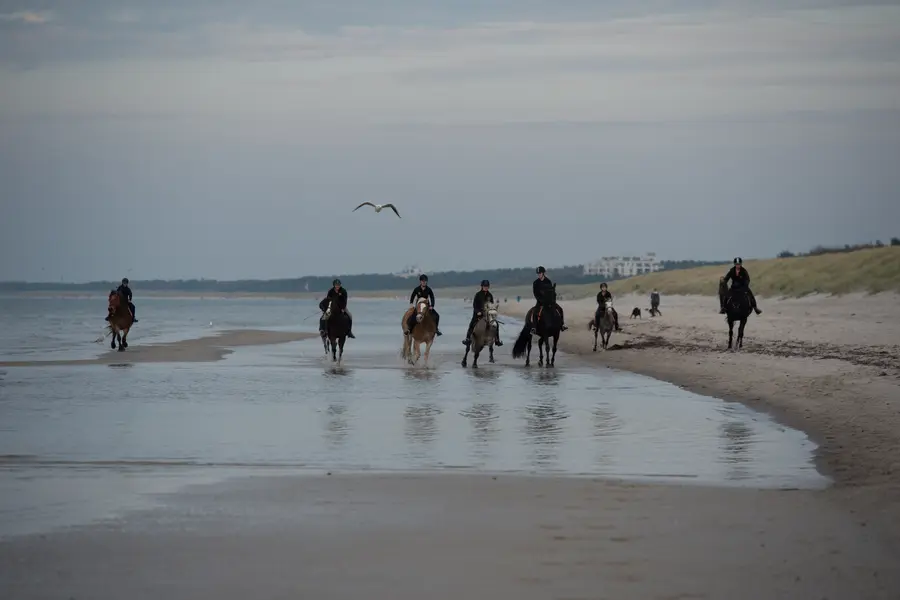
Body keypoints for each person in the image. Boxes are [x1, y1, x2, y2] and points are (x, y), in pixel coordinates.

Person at [463, 279, 502, 347]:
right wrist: (478, 312)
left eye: (487, 286)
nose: (486, 287)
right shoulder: (478, 295)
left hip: (487, 315)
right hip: (478, 314)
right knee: (471, 324)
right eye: (484, 286)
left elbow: (491, 305)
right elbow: (474, 305)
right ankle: (467, 338)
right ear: (482, 286)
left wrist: (492, 311)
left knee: (496, 324)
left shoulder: (490, 295)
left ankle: (497, 340)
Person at [531, 266, 567, 334]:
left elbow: (551, 292)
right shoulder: (535, 283)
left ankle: (562, 325)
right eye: (538, 274)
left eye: (540, 273)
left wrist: (551, 301)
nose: (539, 275)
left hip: (549, 301)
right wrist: (541, 300)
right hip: (540, 302)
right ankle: (534, 328)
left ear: (543, 273)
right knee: (535, 312)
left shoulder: (548, 281)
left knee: (560, 309)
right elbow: (535, 294)